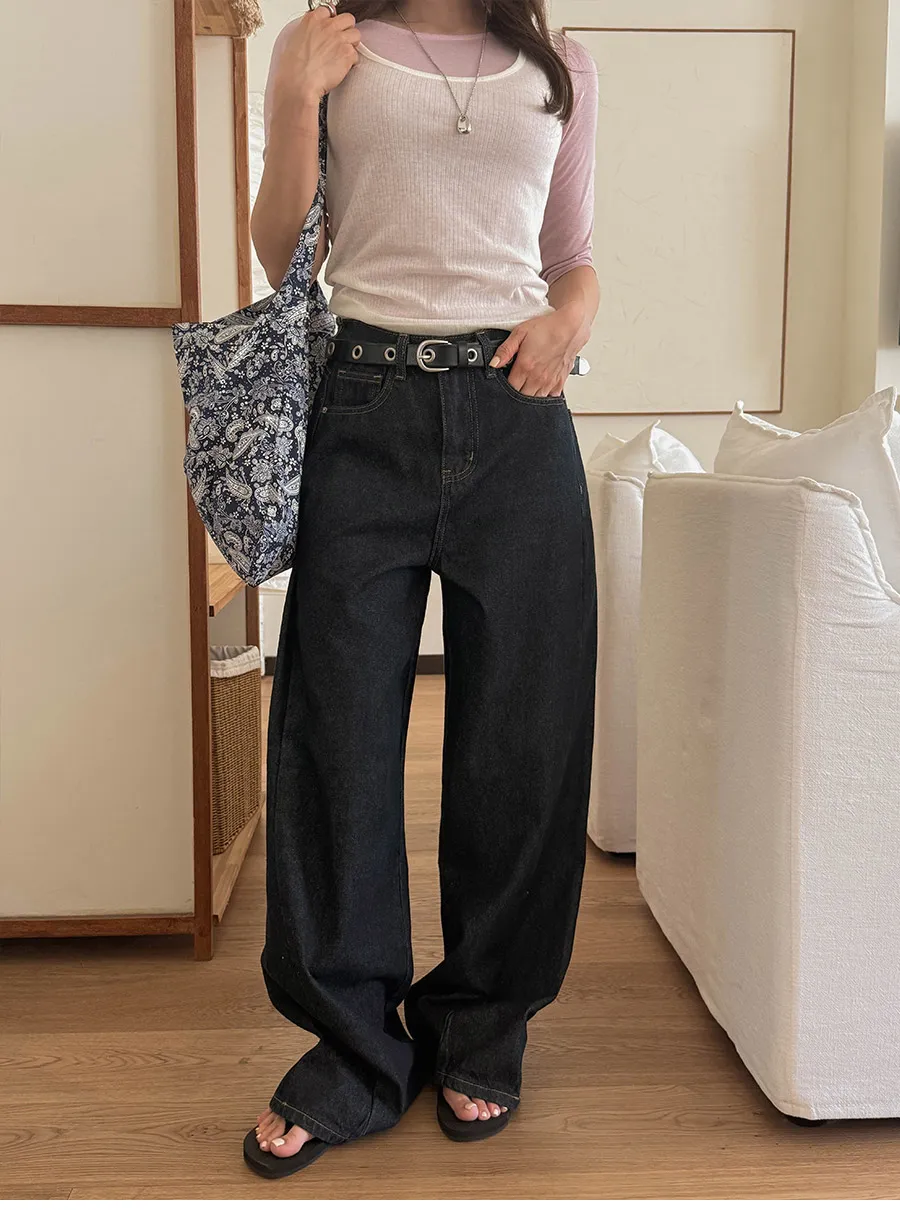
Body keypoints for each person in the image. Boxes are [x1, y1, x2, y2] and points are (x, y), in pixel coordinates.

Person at [244, 0, 600, 1177]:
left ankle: (483, 1025)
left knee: (523, 740)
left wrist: (569, 323)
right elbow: (279, 247)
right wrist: (294, 94)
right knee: (335, 733)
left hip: (520, 415)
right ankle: (354, 1050)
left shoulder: (562, 66)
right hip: (366, 405)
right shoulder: (329, 45)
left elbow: (572, 257)